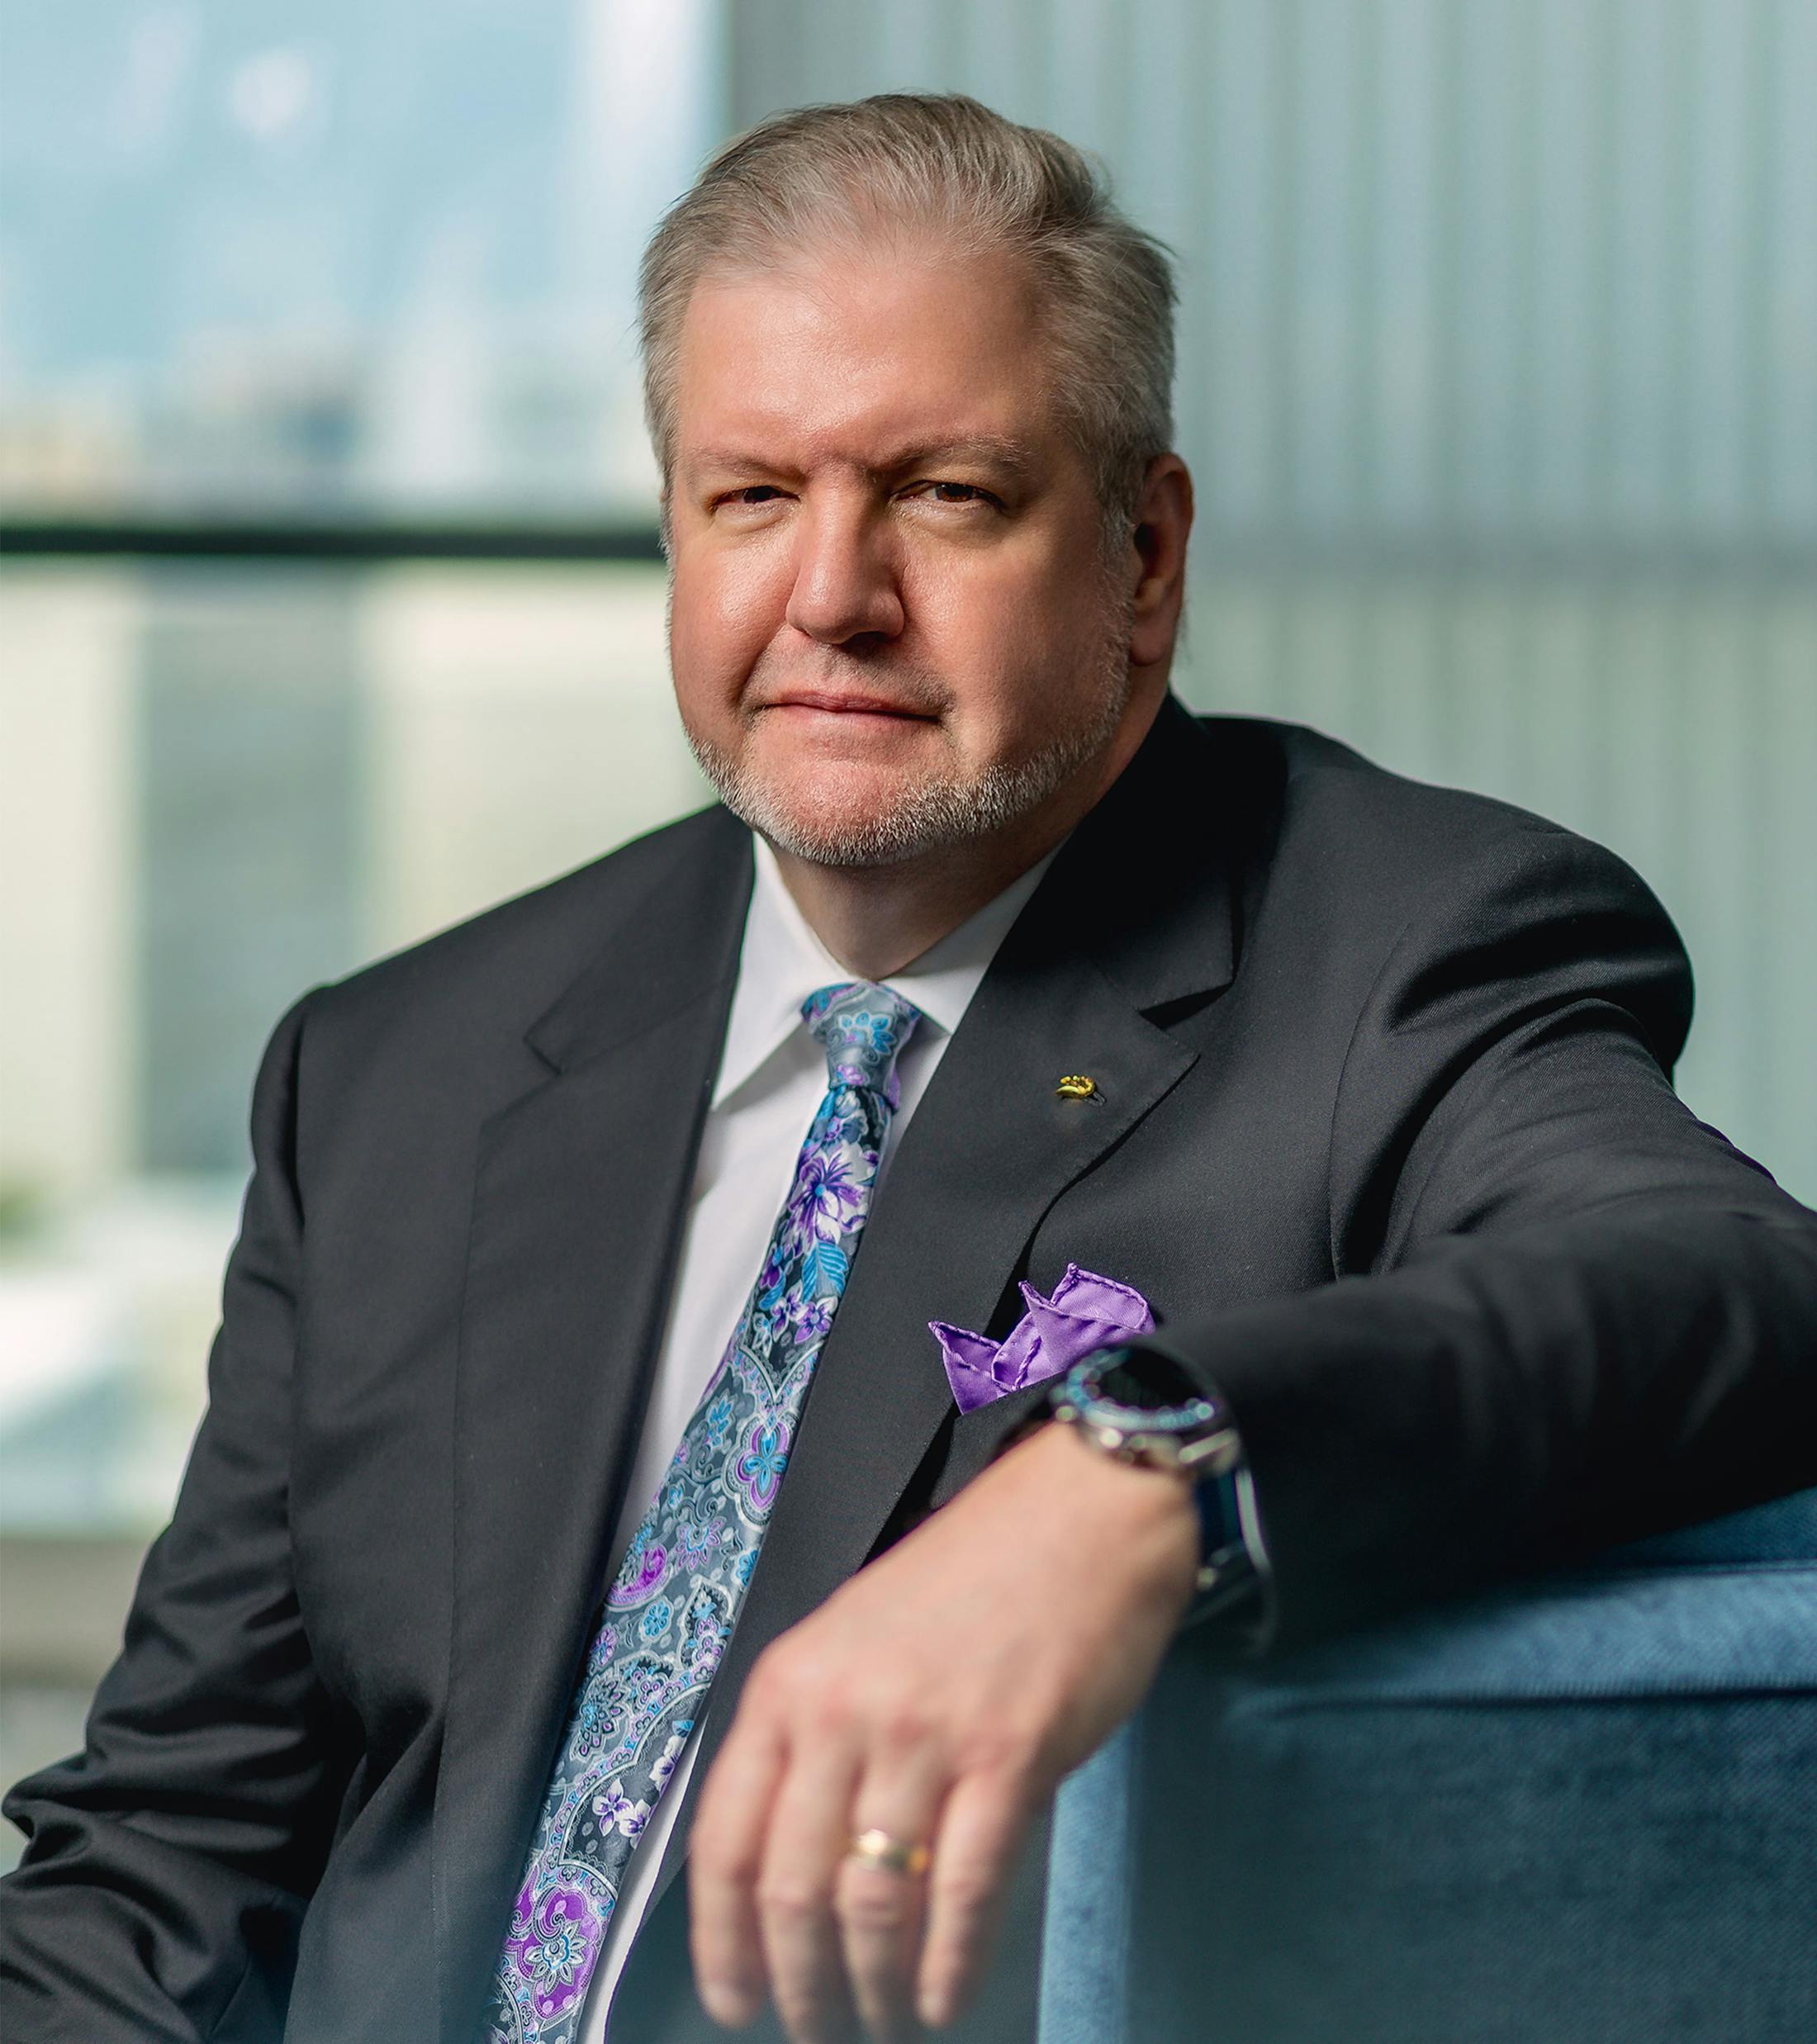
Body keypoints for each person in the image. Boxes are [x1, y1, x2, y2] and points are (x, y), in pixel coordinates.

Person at [4, 92, 1815, 2044]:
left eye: (944, 493)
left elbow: (1736, 1289)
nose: (830, 595)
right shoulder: (395, 1071)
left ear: (1141, 549)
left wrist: (1147, 1468)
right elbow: (167, 1876)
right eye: (752, 495)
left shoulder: (1403, 953)